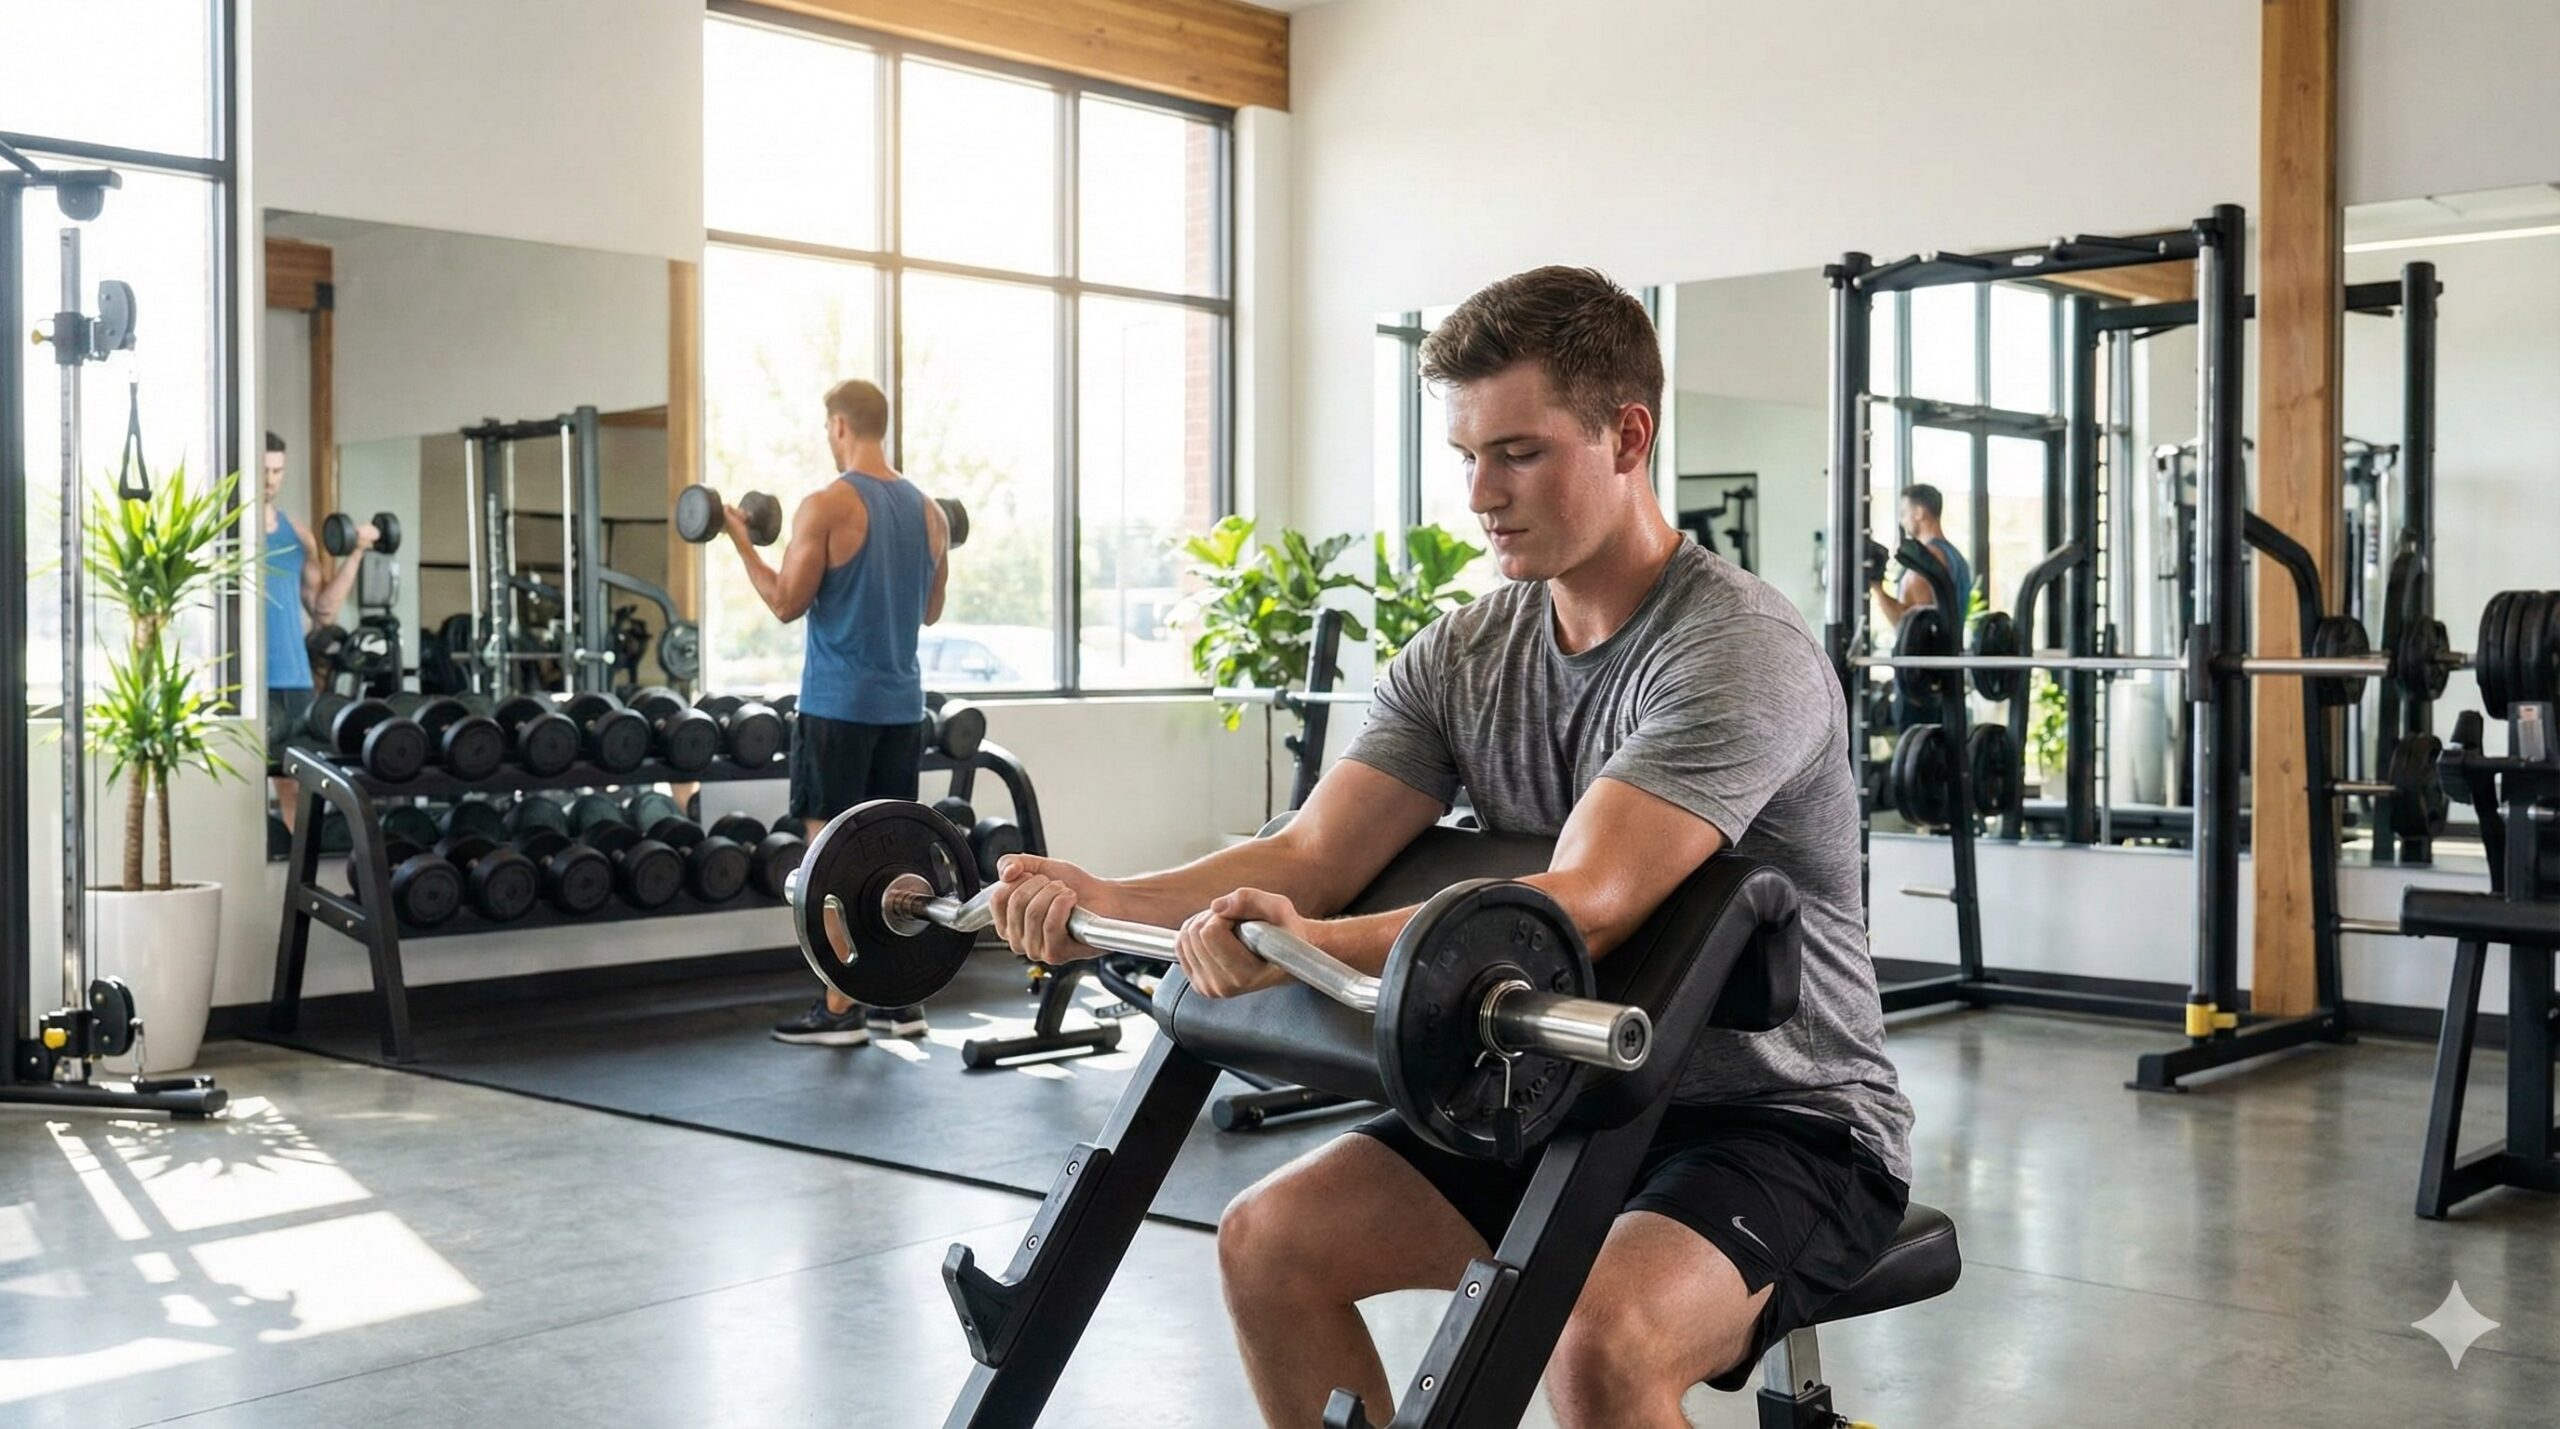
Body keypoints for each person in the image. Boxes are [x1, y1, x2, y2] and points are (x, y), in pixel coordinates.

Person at [983, 267, 1913, 1428]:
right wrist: (1105, 896)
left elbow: (1587, 901)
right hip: (1551, 1088)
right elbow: (1310, 855)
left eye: (1517, 452)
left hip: (1782, 1122)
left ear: (1628, 437)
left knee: (1596, 1342)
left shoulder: (1733, 648)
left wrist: (1301, 947)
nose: (1480, 493)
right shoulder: (1463, 655)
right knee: (1270, 1243)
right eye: (1467, 454)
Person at [727, 378, 952, 1048]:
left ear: (839, 426)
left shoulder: (825, 505)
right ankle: (899, 1001)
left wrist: (740, 542)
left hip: (836, 710)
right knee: (892, 858)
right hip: (902, 710)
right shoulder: (931, 513)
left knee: (829, 863)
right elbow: (930, 611)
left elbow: (785, 602)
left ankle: (839, 1007)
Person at [262, 432, 373, 830]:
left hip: (293, 677)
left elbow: (324, 609)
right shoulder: (225, 531)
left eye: (277, 471)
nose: (269, 480)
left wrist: (356, 552)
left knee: (294, 783)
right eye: (262, 470)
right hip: (242, 680)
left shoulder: (296, 534)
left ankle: (298, 866)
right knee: (238, 783)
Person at [1869, 483, 1972, 730]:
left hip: (1920, 682)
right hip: (1946, 678)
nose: (1903, 521)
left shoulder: (1926, 559)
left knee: (1917, 748)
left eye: (1904, 513)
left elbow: (1910, 625)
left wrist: (1876, 587)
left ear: (1919, 512)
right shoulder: (1956, 557)